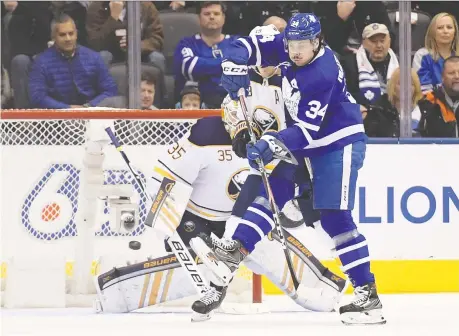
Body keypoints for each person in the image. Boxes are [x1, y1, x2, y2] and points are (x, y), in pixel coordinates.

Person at [190, 13, 386, 325]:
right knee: (274, 189)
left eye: (302, 44)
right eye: (291, 43)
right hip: (305, 144)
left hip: (337, 142)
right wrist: (234, 63)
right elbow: (245, 44)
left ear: (317, 41)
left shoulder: (322, 72)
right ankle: (235, 250)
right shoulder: (289, 45)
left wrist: (269, 143)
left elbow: (307, 131)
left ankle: (367, 294)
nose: (295, 51)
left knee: (335, 218)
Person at [95, 110, 347, 323]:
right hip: (197, 223)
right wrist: (170, 219)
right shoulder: (207, 134)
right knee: (206, 263)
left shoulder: (281, 136)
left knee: (274, 251)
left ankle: (322, 286)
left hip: (246, 224)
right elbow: (166, 177)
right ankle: (117, 290)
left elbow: (291, 189)